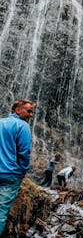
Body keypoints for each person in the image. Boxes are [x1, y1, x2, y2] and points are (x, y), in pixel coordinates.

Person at [0, 100, 35, 235]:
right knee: (1, 210)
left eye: (32, 112)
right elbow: (24, 152)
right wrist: (22, 171)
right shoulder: (22, 125)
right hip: (10, 174)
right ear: (17, 110)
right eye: (28, 111)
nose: (31, 115)